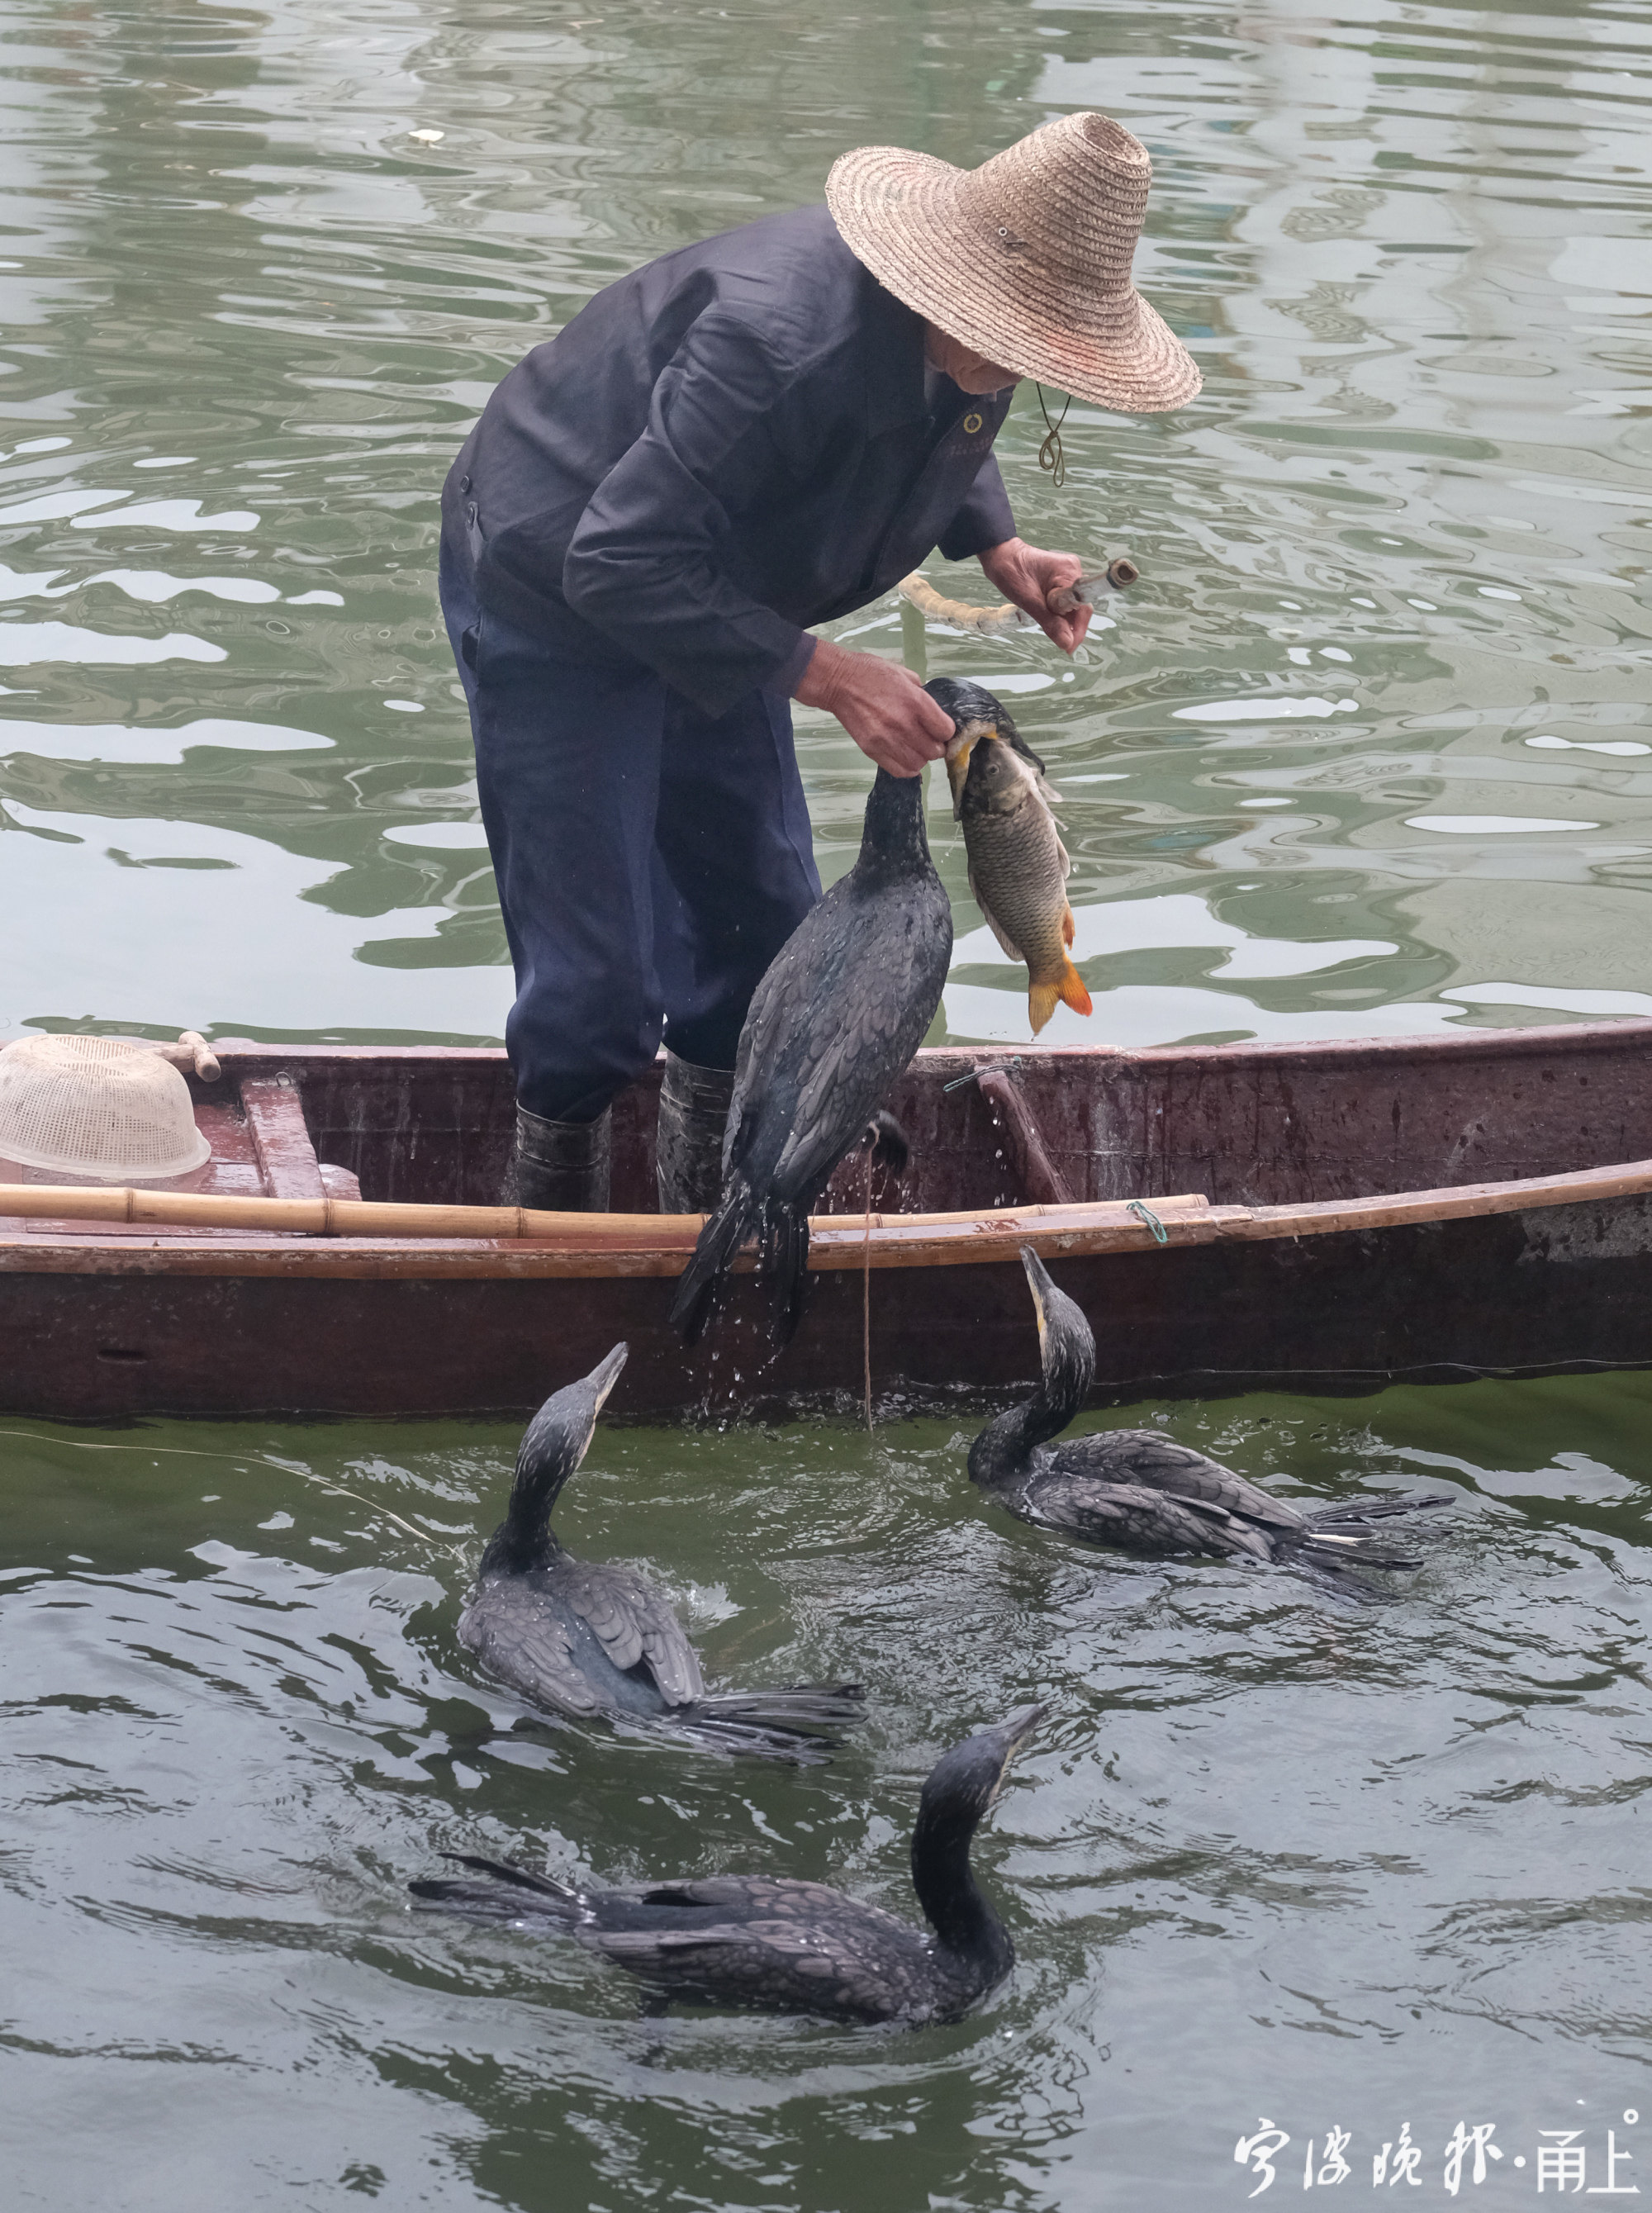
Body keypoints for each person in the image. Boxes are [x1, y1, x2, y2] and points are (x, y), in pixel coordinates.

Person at [440, 109, 1199, 1212]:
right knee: (597, 995)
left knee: (763, 936)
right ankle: (555, 1255)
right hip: (558, 591)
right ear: (950, 288)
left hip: (725, 593)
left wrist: (995, 544)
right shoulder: (774, 347)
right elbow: (617, 559)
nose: (1029, 372)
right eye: (1025, 343)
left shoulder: (971, 355)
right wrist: (830, 677)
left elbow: (953, 416)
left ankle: (714, 1218)